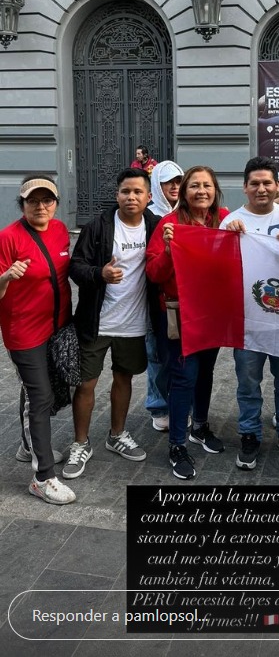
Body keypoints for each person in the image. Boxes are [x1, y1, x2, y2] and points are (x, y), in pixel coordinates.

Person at [63, 168, 160, 479]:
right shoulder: (99, 226)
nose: (130, 197)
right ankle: (81, 443)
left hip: (133, 323)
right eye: (124, 192)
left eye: (137, 192)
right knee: (86, 384)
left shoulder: (156, 226)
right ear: (117, 194)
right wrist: (99, 274)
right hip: (97, 321)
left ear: (148, 197)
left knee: (124, 379)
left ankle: (116, 435)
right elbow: (75, 266)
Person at [220, 156, 279, 471]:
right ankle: (249, 433)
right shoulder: (230, 221)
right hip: (249, 320)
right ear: (245, 187)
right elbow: (218, 270)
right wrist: (227, 240)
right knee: (248, 381)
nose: (261, 189)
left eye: (267, 183)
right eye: (255, 183)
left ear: (278, 186)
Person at [146, 166, 228, 480]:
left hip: (213, 312)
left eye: (207, 185)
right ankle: (177, 444)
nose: (201, 191)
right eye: (194, 186)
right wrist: (168, 250)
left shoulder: (223, 219)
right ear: (183, 192)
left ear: (215, 189)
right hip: (179, 313)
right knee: (184, 375)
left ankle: (201, 426)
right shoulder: (168, 224)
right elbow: (153, 273)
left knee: (206, 370)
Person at [0, 175, 76, 505]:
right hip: (24, 332)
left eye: (47, 200)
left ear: (56, 204)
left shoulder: (59, 230)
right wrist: (5, 277)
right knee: (41, 396)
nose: (41, 206)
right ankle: (43, 476)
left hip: (56, 328)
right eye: (33, 201)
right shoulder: (8, 237)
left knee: (35, 390)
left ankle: (28, 444)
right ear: (22, 204)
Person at [145, 160, 184, 431]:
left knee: (179, 356)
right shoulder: (147, 216)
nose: (174, 187)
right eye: (167, 182)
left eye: (178, 181)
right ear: (156, 185)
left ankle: (181, 403)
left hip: (179, 299)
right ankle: (158, 405)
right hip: (149, 296)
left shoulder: (187, 214)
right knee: (156, 355)